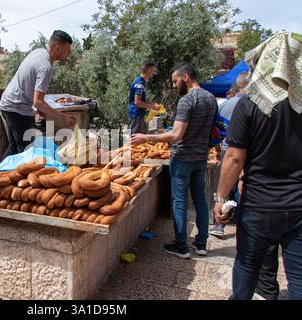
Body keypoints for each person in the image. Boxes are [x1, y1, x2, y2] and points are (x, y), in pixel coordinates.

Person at [214, 32, 302, 300]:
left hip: (259, 205)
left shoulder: (249, 105)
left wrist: (220, 198)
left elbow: (234, 158)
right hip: (299, 204)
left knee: (247, 267)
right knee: (299, 278)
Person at [129, 62, 218, 259]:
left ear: (185, 77)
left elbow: (177, 135)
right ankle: (202, 244)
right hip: (200, 158)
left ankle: (181, 246)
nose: (174, 85)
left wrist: (146, 138)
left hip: (183, 158)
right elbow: (213, 130)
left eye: (175, 81)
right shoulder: (211, 99)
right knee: (200, 200)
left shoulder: (187, 101)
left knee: (179, 201)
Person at [0, 30, 77, 159]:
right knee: (26, 153)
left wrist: (38, 109)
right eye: (67, 49)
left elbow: (28, 82)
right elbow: (38, 102)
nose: (69, 53)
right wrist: (62, 117)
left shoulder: (38, 52)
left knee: (14, 148)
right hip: (18, 109)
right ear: (57, 48)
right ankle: (6, 177)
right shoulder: (46, 67)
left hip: (8, 104)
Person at [209, 72, 250, 238]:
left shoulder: (226, 105)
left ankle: (220, 225)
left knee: (225, 188)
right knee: (242, 190)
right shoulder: (256, 104)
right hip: (249, 155)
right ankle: (245, 228)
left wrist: (216, 150)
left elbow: (217, 131)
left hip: (229, 152)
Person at [128, 61, 160, 134]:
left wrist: (152, 104)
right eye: (153, 70)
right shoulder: (140, 83)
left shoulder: (141, 81)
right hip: (136, 115)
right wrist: (152, 106)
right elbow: (137, 102)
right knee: (135, 141)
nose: (153, 72)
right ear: (149, 70)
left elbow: (141, 100)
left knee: (141, 141)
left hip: (139, 116)